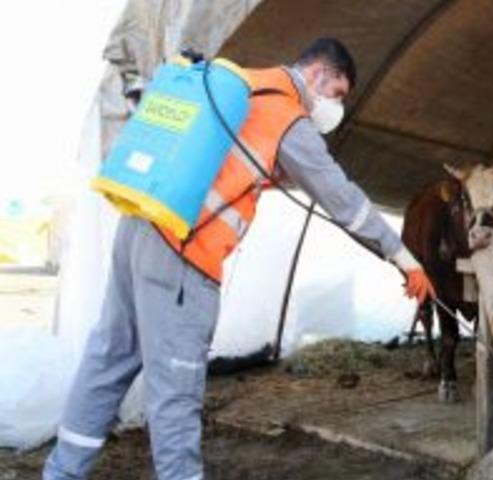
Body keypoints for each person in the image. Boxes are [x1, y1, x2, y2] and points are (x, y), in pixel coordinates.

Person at [43, 38, 435, 480]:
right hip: (181, 255)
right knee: (177, 389)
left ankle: (61, 472)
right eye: (339, 94)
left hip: (140, 224)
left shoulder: (244, 86)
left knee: (108, 358)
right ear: (320, 75)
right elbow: (344, 200)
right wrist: (404, 257)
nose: (336, 107)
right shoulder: (288, 113)